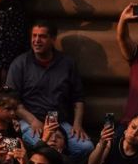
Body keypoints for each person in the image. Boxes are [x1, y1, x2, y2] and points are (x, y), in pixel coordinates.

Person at [6, 22, 91, 155]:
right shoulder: (20, 64)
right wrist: (33, 121)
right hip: (32, 121)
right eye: (34, 36)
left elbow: (78, 98)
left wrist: (77, 124)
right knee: (47, 148)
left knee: (86, 147)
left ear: (53, 39)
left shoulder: (67, 63)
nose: (37, 41)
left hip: (61, 123)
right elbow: (11, 100)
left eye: (42, 36)